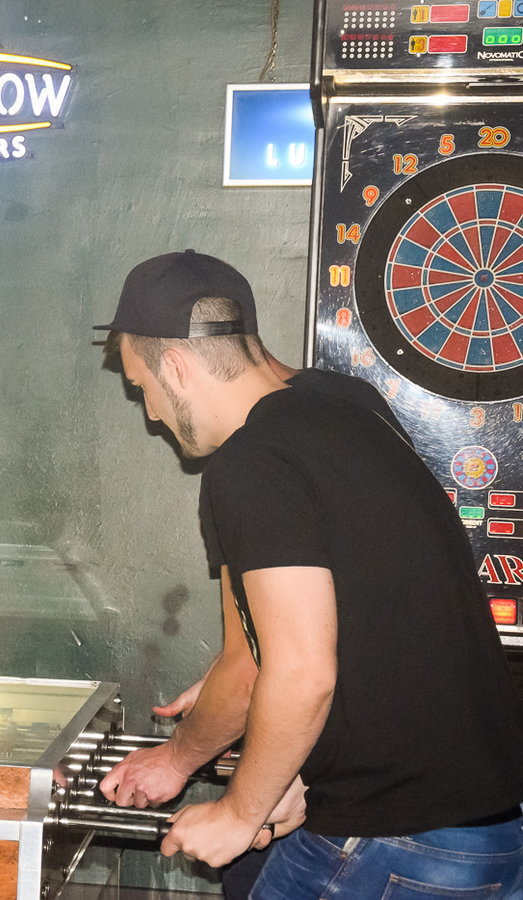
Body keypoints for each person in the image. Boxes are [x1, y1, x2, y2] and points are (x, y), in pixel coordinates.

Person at [95, 250, 523, 898]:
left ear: (176, 366)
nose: (151, 413)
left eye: (141, 388)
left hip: (399, 836)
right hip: (491, 819)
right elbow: (372, 603)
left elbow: (286, 672)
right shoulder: (348, 403)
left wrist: (228, 805)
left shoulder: (251, 463)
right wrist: (289, 775)